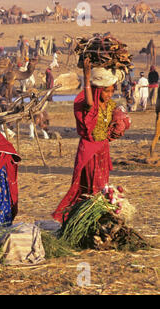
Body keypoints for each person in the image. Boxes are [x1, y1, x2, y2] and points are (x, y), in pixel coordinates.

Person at [52, 58, 127, 222]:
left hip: (103, 150)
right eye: (106, 91)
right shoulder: (90, 105)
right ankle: (89, 218)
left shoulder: (110, 105)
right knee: (91, 186)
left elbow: (118, 121)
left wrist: (121, 122)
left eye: (112, 91)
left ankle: (96, 216)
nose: (109, 95)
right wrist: (86, 76)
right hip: (89, 151)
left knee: (102, 184)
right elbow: (89, 101)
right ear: (99, 90)